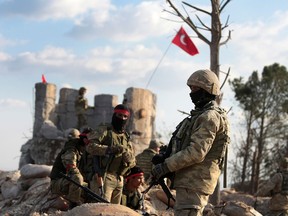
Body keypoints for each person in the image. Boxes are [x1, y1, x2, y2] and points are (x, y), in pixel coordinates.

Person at [151, 69, 230, 216]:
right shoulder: (200, 116)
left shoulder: (209, 117)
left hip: (194, 183)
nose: (191, 93)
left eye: (195, 89)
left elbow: (196, 152)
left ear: (207, 90)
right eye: (191, 88)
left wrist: (166, 166)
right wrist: (166, 157)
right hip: (190, 183)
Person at [85, 104, 136, 204]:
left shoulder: (126, 136)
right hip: (104, 176)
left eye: (125, 117)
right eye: (119, 116)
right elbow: (90, 147)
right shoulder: (105, 130)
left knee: (115, 211)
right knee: (102, 209)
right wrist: (109, 149)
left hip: (120, 178)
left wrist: (129, 159)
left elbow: (133, 160)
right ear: (114, 115)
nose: (122, 119)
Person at [49, 128, 92, 208]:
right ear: (85, 139)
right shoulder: (72, 147)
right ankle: (73, 205)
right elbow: (70, 164)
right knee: (77, 177)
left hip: (69, 182)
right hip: (58, 182)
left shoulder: (86, 150)